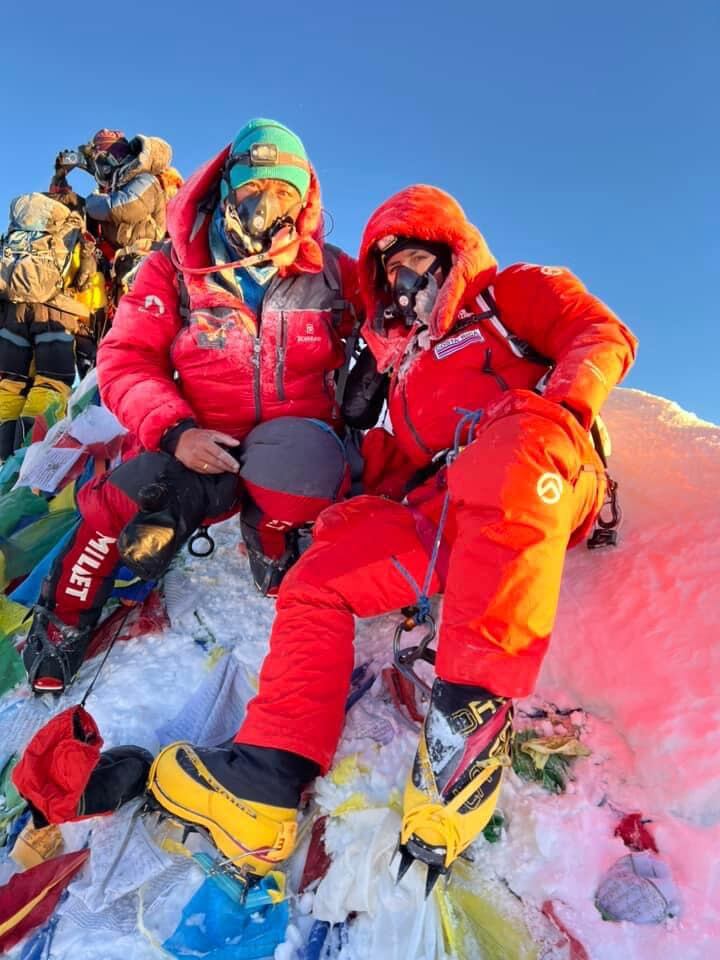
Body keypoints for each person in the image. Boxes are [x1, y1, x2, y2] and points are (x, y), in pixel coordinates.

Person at [146, 184, 638, 892]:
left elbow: (600, 334)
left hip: (541, 472)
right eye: (389, 272)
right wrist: (334, 480)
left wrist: (560, 411)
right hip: (450, 510)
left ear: (448, 251)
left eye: (411, 260)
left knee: (514, 446)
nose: (402, 282)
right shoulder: (408, 367)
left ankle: (464, 733)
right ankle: (266, 778)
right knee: (324, 572)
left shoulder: (508, 296)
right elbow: (408, 465)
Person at [21, 118, 361, 694]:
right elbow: (126, 359)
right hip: (196, 441)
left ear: (305, 201)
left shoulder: (331, 273)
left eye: (285, 192)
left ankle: (269, 536)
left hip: (289, 443)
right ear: (226, 188)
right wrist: (175, 432)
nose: (268, 207)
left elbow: (401, 315)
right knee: (126, 498)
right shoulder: (175, 267)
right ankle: (66, 611)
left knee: (312, 471)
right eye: (255, 188)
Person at [0, 190, 105, 459]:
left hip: (12, 315)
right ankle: (31, 455)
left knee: (9, 384)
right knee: (52, 383)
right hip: (54, 316)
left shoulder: (18, 230)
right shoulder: (70, 230)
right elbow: (83, 280)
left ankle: (2, 458)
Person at [52, 128, 175, 313]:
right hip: (120, 267)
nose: (101, 166)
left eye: (102, 159)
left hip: (145, 261)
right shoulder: (114, 188)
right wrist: (60, 177)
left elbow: (124, 208)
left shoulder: (145, 179)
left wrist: (85, 203)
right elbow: (77, 209)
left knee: (141, 319)